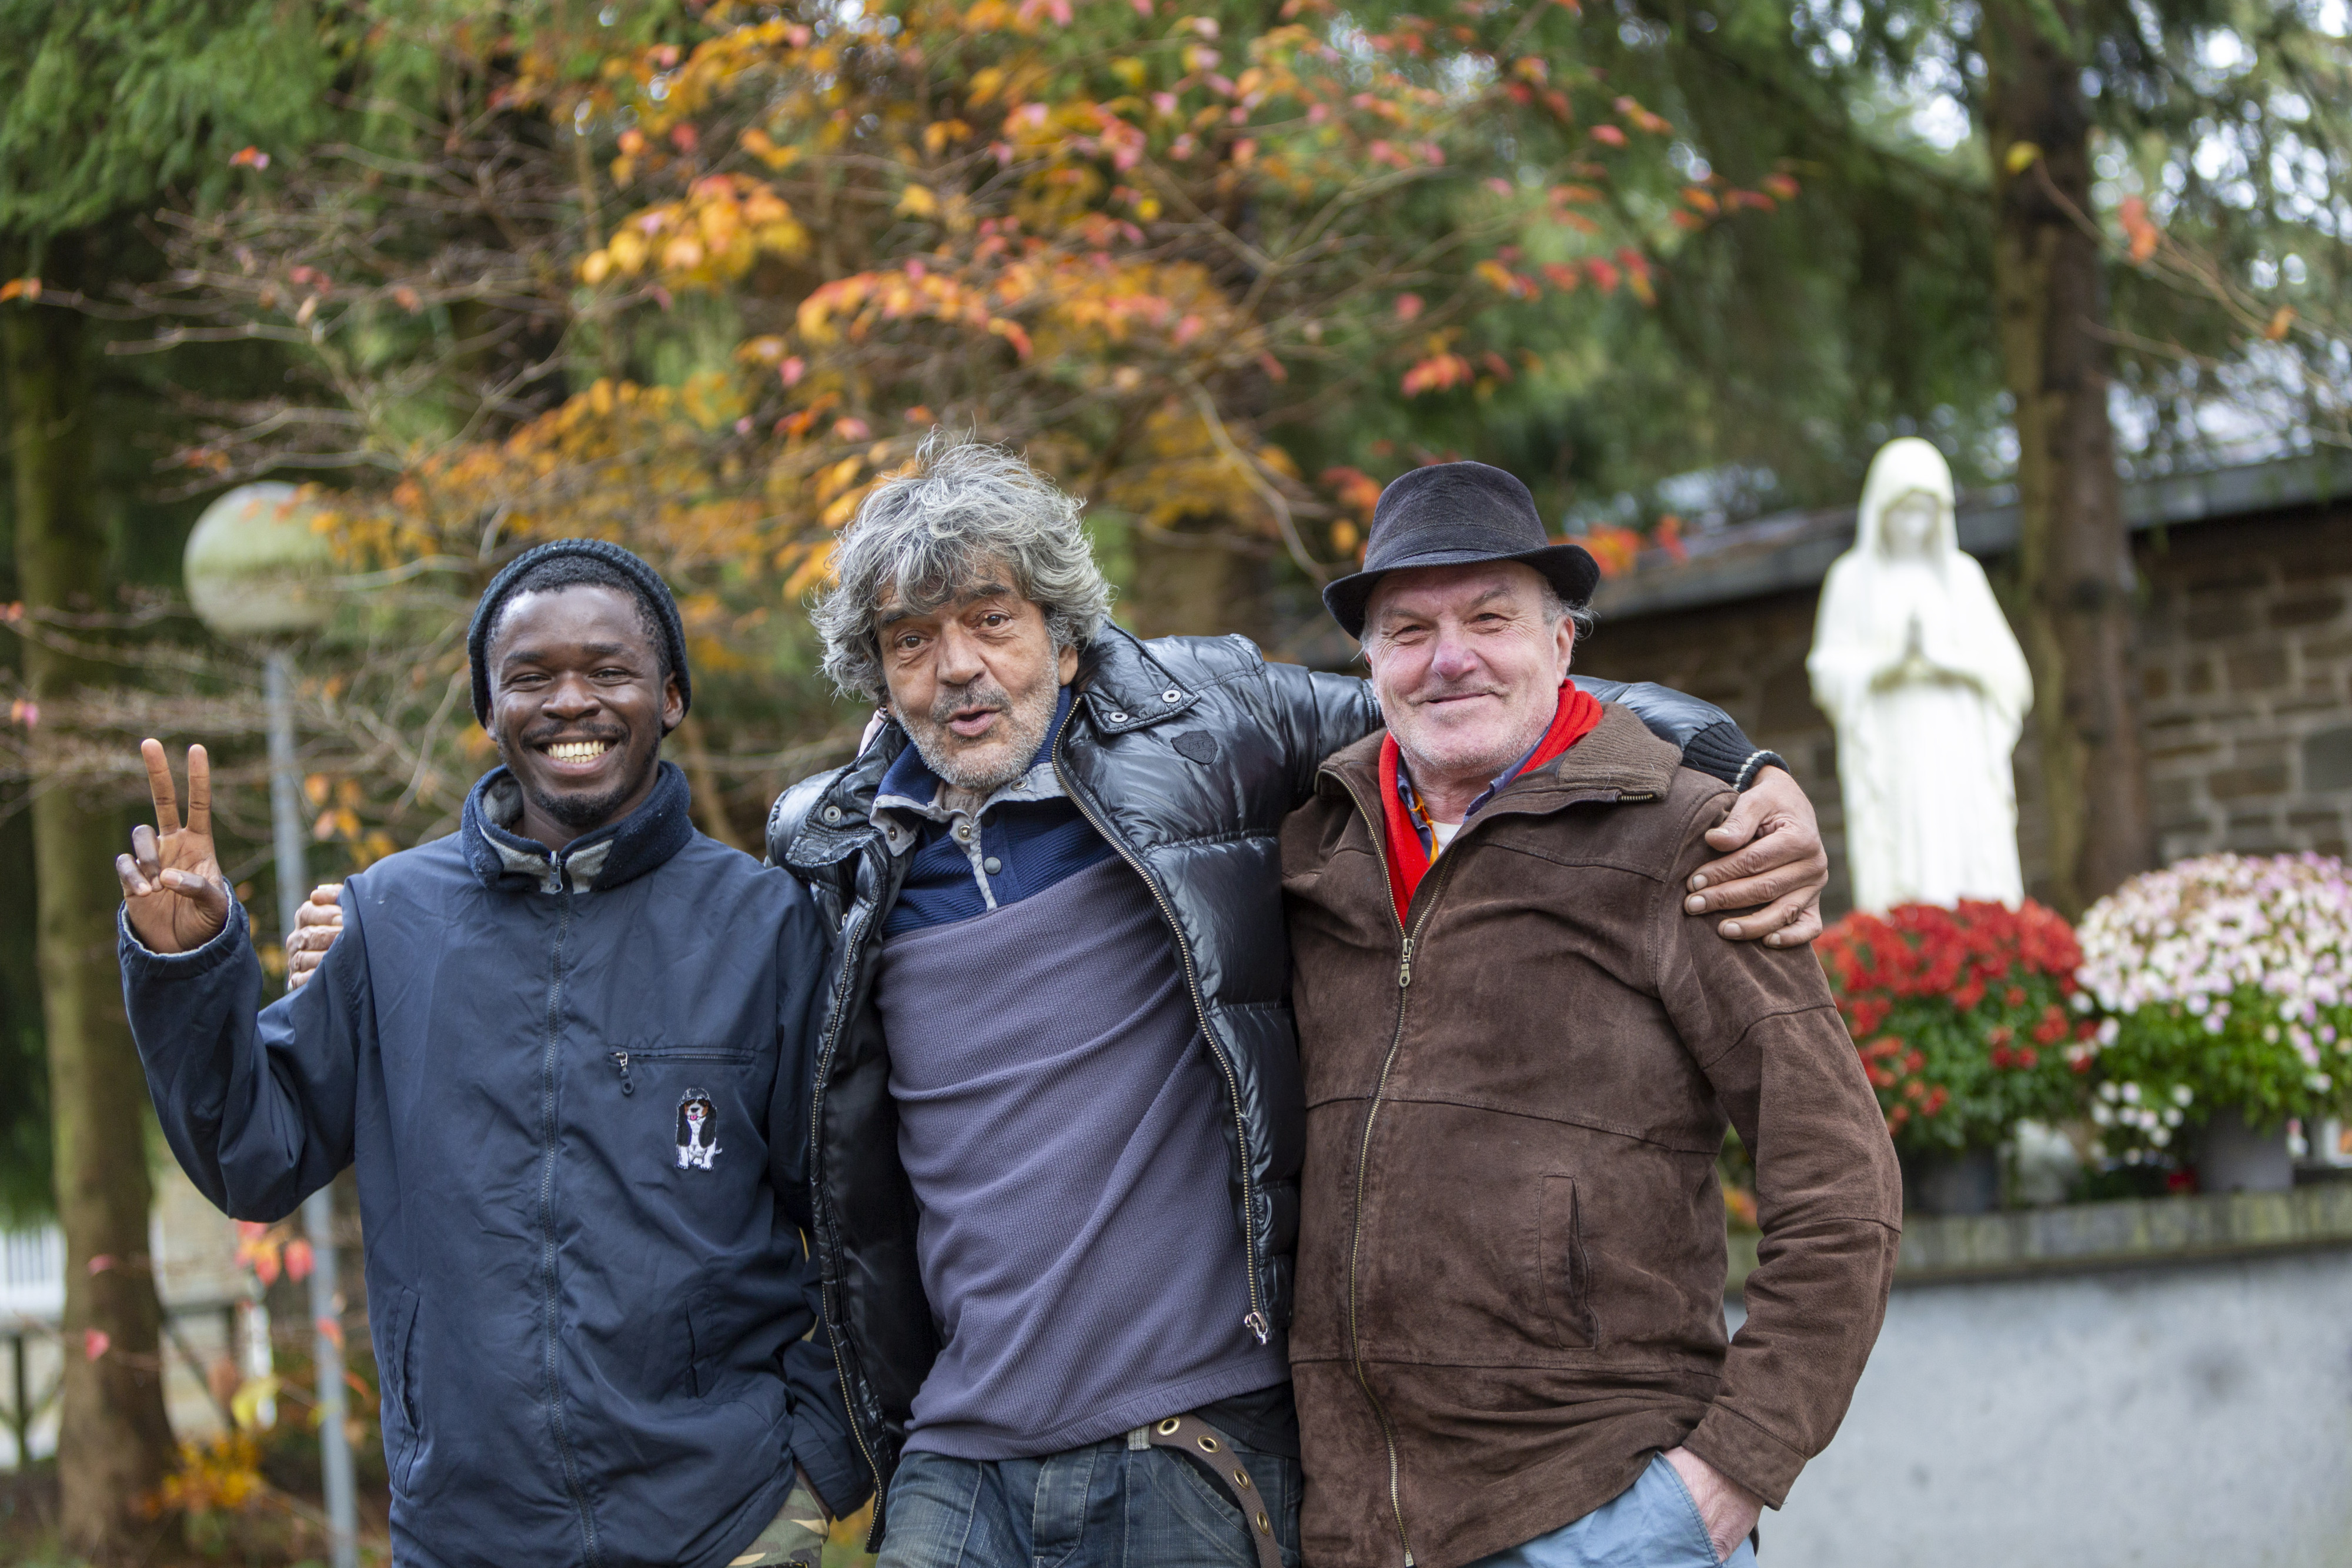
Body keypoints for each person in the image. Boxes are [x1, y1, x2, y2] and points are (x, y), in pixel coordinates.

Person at [285, 441, 1833, 1567]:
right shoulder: (828, 843)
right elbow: (654, 974)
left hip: (1193, 1439)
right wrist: (380, 926)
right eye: (910, 639)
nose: (958, 668)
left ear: (1065, 630)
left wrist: (1740, 764)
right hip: (957, 1454)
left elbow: (1455, 688)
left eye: (993, 621)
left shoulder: (1206, 724)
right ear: (872, 669)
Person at [115, 541, 864, 1568]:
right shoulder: (389, 919)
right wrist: (189, 961)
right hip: (465, 1529)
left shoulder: (766, 924)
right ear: (487, 708)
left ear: (672, 696)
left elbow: (862, 1215)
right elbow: (253, 1153)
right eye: (531, 676)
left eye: (609, 671)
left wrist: (818, 1464)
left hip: (729, 1523)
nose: (571, 702)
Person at [1281, 462, 1903, 1568]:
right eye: (1409, 628)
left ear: (1563, 644)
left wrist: (1724, 1480)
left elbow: (1842, 1185)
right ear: (1368, 662)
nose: (1451, 656)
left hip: (1601, 1515)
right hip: (1352, 1532)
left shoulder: (1687, 838)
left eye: (1490, 616)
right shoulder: (1317, 854)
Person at [1807, 436, 2034, 911]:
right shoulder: (1852, 578)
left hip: (1959, 735)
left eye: (1925, 511)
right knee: (1908, 841)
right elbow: (1827, 669)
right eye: (1903, 511)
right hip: (1894, 737)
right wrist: (1889, 663)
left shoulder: (1962, 576)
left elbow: (2011, 672)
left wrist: (1945, 660)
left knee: (1965, 838)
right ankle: (1911, 941)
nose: (1915, 524)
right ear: (1880, 510)